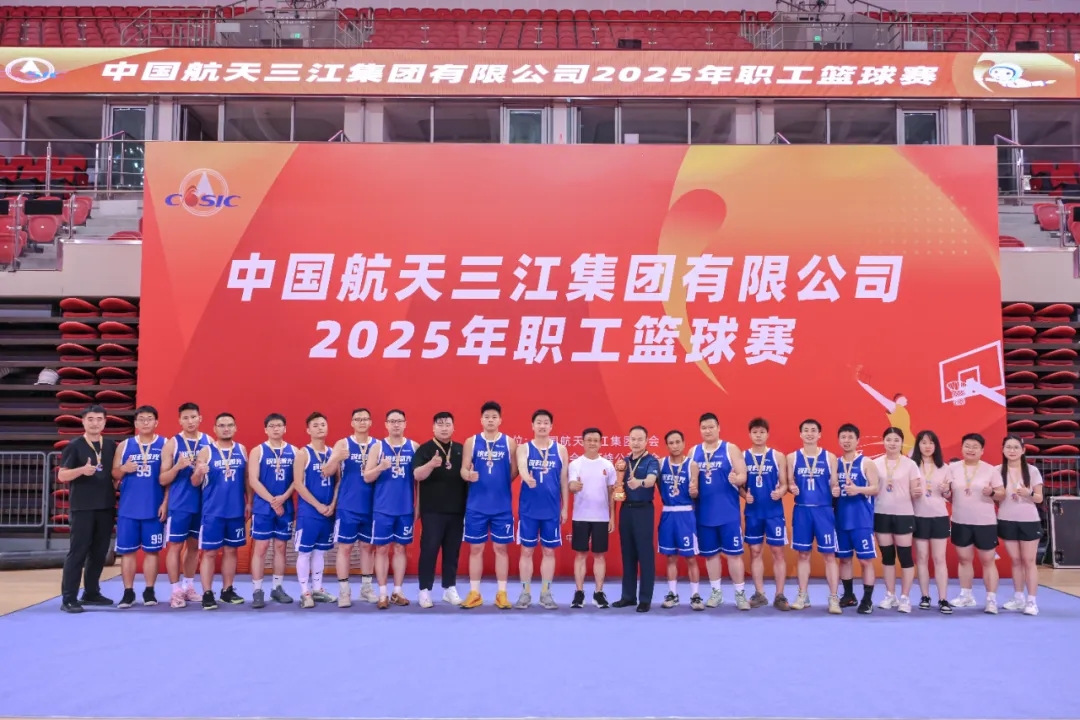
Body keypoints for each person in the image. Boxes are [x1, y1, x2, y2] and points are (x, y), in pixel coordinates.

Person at [58, 405, 119, 613]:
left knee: (99, 552)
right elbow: (62, 475)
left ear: (105, 422)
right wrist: (82, 470)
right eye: (90, 419)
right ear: (83, 421)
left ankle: (91, 592)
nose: (95, 423)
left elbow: (113, 473)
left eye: (99, 419)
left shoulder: (110, 445)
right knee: (78, 552)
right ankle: (68, 598)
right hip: (82, 507)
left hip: (106, 506)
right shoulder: (74, 446)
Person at [459, 401, 517, 610]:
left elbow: (515, 471)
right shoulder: (471, 442)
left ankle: (502, 594)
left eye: (494, 417)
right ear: (481, 420)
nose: (490, 420)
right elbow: (463, 469)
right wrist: (468, 475)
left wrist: (500, 483)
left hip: (501, 506)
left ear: (500, 420)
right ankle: (475, 593)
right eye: (487, 417)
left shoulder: (510, 442)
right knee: (476, 548)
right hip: (476, 506)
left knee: (501, 548)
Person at [689, 413, 749, 610]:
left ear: (718, 428)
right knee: (711, 555)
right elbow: (689, 479)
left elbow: (743, 474)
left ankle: (740, 594)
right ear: (700, 430)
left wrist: (737, 479)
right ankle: (716, 592)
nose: (707, 431)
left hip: (728, 513)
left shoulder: (730, 449)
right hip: (704, 514)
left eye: (711, 427)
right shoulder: (693, 452)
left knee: (734, 555)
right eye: (704, 428)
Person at [940, 433, 1003, 613]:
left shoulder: (991, 470)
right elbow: (948, 494)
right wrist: (945, 491)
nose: (971, 449)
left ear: (982, 450)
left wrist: (992, 492)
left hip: (985, 522)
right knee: (964, 559)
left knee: (988, 561)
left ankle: (991, 599)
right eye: (967, 446)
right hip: (960, 521)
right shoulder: (952, 468)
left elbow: (1002, 494)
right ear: (962, 448)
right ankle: (966, 595)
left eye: (975, 447)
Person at [111, 405, 167, 609]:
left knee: (152, 552)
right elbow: (114, 474)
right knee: (128, 552)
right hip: (129, 508)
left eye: (149, 419)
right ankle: (128, 592)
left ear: (156, 422)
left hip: (153, 507)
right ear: (135, 423)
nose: (145, 422)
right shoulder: (125, 445)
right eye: (141, 419)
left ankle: (149, 590)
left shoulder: (165, 444)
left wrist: (165, 503)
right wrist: (124, 469)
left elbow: (169, 479)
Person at [323, 408, 378, 607]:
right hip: (348, 505)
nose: (362, 422)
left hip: (371, 505)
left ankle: (366, 588)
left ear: (370, 422)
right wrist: (336, 457)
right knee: (345, 548)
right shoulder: (343, 444)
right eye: (358, 419)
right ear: (352, 423)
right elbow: (326, 472)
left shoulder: (378, 445)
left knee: (367, 548)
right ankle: (344, 591)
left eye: (365, 419)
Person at [515, 409, 569, 610]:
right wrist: (525, 477)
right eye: (538, 422)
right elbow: (521, 465)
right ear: (532, 425)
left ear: (551, 426)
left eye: (546, 422)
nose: (542, 425)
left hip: (552, 510)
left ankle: (546, 593)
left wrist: (565, 508)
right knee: (527, 550)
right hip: (529, 510)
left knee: (548, 551)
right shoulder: (524, 448)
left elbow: (564, 480)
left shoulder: (561, 450)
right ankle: (525, 593)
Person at [787, 418, 842, 614]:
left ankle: (833, 598)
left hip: (823, 510)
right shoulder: (792, 458)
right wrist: (791, 487)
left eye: (813, 430)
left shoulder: (830, 457)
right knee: (803, 554)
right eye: (806, 430)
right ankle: (803, 595)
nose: (809, 433)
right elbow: (789, 482)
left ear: (819, 434)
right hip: (802, 510)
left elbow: (834, 483)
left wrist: (836, 490)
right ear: (800, 434)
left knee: (829, 555)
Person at [412, 411, 466, 609]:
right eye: (440, 424)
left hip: (457, 510)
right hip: (432, 510)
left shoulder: (460, 449)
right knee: (429, 550)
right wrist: (430, 464)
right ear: (433, 427)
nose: (444, 428)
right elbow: (417, 475)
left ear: (453, 427)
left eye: (447, 424)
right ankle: (425, 590)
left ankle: (449, 588)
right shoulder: (425, 449)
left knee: (452, 552)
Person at [158, 402, 210, 608]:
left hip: (203, 503)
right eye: (186, 418)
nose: (190, 421)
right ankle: (175, 591)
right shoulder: (172, 444)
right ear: (179, 420)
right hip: (179, 503)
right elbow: (162, 479)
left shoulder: (208, 442)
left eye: (193, 417)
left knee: (194, 547)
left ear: (200, 418)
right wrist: (178, 467)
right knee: (175, 547)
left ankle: (188, 586)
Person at [364, 408, 417, 609]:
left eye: (399, 421)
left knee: (401, 548)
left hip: (405, 508)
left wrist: (418, 507)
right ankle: (382, 593)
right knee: (382, 549)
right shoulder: (377, 447)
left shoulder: (414, 447)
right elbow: (367, 477)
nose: (396, 424)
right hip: (383, 508)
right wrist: (380, 467)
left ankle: (397, 591)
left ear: (405, 424)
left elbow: (419, 482)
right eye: (392, 421)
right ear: (386, 424)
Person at [195, 412, 247, 610]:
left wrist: (249, 502)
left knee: (231, 550)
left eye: (230, 425)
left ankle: (227, 590)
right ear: (215, 429)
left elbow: (246, 479)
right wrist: (198, 473)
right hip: (213, 511)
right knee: (209, 552)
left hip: (235, 510)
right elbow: (195, 482)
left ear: (236, 428)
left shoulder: (241, 449)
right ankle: (207, 593)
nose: (226, 429)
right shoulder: (206, 451)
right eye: (222, 425)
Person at [247, 413, 296, 608]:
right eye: (272, 426)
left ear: (285, 428)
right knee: (261, 548)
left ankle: (277, 588)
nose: (276, 429)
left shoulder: (294, 451)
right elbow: (253, 480)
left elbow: (297, 480)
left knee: (281, 547)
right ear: (265, 429)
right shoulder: (258, 451)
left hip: (285, 506)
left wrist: (283, 498)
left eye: (279, 425)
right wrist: (272, 501)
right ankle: (257, 590)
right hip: (263, 507)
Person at [292, 412, 340, 609]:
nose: (320, 428)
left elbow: (338, 482)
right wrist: (318, 505)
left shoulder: (333, 454)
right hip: (309, 512)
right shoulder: (303, 453)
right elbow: (298, 484)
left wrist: (333, 504)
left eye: (323, 424)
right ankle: (305, 591)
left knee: (320, 552)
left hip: (328, 511)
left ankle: (318, 588)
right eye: (316, 425)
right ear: (308, 430)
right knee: (305, 552)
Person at [873, 427, 922, 613]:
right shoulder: (875, 463)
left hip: (904, 514)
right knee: (887, 557)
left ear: (902, 443)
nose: (892, 443)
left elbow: (916, 490)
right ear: (883, 441)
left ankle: (905, 597)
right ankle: (890, 595)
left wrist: (917, 492)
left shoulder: (910, 465)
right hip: (881, 513)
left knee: (905, 556)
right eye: (888, 439)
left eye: (896, 440)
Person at [743, 418, 790, 610]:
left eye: (762, 432)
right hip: (753, 513)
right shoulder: (743, 456)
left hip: (774, 513)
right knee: (755, 552)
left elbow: (785, 483)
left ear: (767, 434)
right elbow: (739, 485)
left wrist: (781, 492)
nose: (758, 435)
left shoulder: (777, 456)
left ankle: (780, 595)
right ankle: (760, 593)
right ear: (750, 434)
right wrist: (744, 495)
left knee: (778, 552)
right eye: (755, 432)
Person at [612, 425, 660, 612]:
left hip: (643, 510)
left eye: (640, 439)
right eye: (633, 439)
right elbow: (617, 484)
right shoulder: (623, 462)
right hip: (626, 510)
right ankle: (628, 596)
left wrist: (639, 482)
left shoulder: (651, 461)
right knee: (628, 553)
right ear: (628, 440)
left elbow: (651, 480)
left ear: (647, 441)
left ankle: (645, 598)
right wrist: (617, 488)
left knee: (645, 554)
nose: (636, 443)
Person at [833, 423, 879, 614]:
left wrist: (858, 489)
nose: (846, 440)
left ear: (857, 440)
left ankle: (867, 600)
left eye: (850, 437)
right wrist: (833, 492)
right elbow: (831, 488)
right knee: (844, 560)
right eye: (843, 437)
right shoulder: (835, 463)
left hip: (861, 520)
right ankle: (848, 595)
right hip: (841, 520)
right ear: (838, 440)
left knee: (866, 561)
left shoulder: (866, 462)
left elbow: (876, 488)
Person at [568, 427, 616, 609]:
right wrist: (573, 486)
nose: (592, 443)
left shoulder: (608, 465)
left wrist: (612, 517)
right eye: (589, 440)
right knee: (580, 554)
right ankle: (579, 593)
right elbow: (571, 484)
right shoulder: (575, 464)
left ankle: (598, 593)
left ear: (601, 443)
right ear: (582, 442)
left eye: (596, 440)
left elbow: (612, 493)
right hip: (581, 516)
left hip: (601, 517)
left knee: (599, 555)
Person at [995, 435, 1043, 616]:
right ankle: (1018, 597)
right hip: (1006, 519)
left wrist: (1028, 493)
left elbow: (1039, 498)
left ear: (1023, 450)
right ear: (1003, 449)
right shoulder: (997, 470)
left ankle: (1032, 601)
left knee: (1029, 561)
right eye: (1008, 447)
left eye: (1016, 447)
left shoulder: (1032, 471)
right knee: (1015, 561)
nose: (1012, 451)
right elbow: (994, 495)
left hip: (1029, 520)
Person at [658, 430, 703, 611]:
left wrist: (694, 492)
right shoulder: (661, 463)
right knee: (670, 557)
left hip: (686, 514)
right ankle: (672, 594)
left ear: (684, 443)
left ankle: (695, 595)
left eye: (678, 442)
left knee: (691, 557)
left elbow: (696, 491)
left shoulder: (692, 464)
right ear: (667, 445)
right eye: (671, 443)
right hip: (668, 514)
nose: (675, 446)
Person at [912, 430, 952, 613]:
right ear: (918, 445)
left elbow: (949, 495)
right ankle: (925, 596)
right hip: (918, 516)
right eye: (923, 442)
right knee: (921, 558)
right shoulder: (911, 466)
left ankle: (943, 598)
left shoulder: (945, 467)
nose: (927, 446)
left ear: (936, 446)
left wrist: (946, 491)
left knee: (939, 558)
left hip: (939, 516)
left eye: (931, 443)